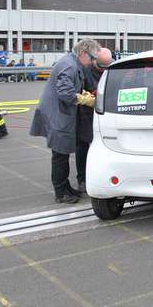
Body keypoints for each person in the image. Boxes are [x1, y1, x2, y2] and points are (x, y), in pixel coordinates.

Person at [30, 38, 101, 203]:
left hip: (60, 114)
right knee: (60, 154)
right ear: (83, 53)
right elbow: (65, 93)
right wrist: (87, 100)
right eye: (92, 58)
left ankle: (65, 186)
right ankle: (61, 193)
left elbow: (71, 87)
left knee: (63, 152)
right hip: (57, 115)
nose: (92, 62)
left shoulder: (73, 63)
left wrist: (83, 93)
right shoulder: (69, 65)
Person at [76, 47, 113, 193]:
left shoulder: (112, 68)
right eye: (101, 67)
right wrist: (88, 98)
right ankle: (82, 179)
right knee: (83, 146)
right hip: (86, 114)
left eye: (106, 67)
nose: (103, 70)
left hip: (106, 114)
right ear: (94, 60)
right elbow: (78, 92)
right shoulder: (84, 71)